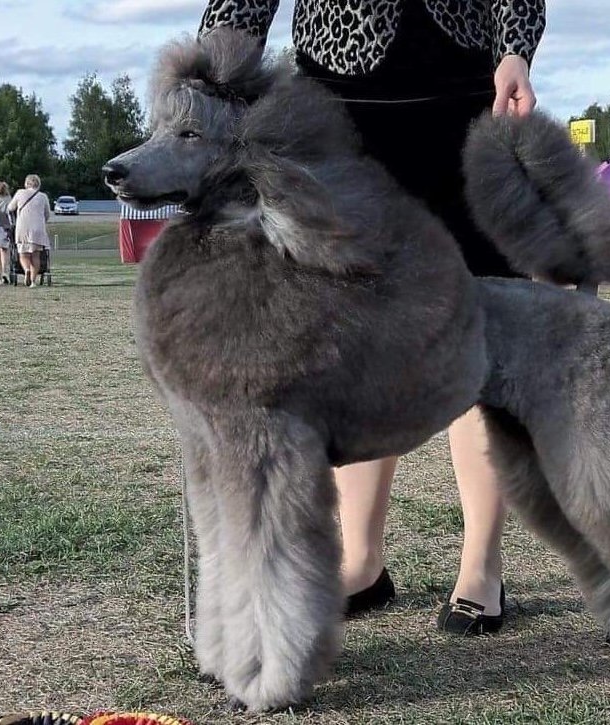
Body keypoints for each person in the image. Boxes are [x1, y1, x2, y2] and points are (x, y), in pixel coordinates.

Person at [199, 0, 546, 635]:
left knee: (479, 334)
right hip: (340, 110)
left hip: (469, 100)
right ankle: (360, 561)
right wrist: (214, 78)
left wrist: (515, 51)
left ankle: (481, 567)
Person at [7, 174, 51, 288]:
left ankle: (26, 269)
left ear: (27, 183)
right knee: (36, 256)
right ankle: (33, 281)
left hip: (23, 227)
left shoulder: (20, 193)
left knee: (23, 254)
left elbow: (10, 208)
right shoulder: (43, 196)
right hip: (38, 229)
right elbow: (47, 214)